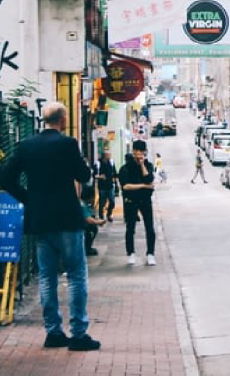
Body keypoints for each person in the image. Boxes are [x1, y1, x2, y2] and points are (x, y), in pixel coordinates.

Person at [0, 102, 101, 351]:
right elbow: (84, 175)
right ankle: (78, 334)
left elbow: (5, 177)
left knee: (47, 276)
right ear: (63, 120)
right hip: (66, 217)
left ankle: (53, 332)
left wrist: (28, 198)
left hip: (40, 220)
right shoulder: (67, 144)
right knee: (76, 275)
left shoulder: (27, 146)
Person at [119, 142, 156, 266]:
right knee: (130, 228)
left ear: (145, 152)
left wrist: (142, 165)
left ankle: (150, 253)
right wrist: (144, 186)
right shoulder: (126, 168)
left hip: (145, 200)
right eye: (137, 151)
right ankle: (131, 253)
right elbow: (126, 186)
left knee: (149, 228)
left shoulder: (148, 165)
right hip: (131, 201)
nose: (139, 153)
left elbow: (149, 179)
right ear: (133, 151)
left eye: (141, 151)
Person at [95, 151, 117, 222]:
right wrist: (100, 176)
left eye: (110, 155)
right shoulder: (98, 163)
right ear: (104, 155)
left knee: (112, 201)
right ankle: (101, 216)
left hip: (110, 185)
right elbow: (94, 174)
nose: (109, 156)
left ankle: (109, 214)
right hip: (102, 186)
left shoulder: (111, 162)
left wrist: (115, 183)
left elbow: (114, 173)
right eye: (108, 155)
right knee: (102, 202)